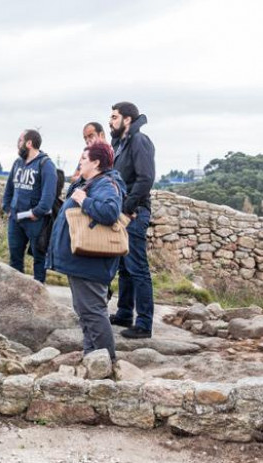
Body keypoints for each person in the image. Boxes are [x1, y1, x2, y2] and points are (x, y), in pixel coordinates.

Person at [46, 142, 126, 360]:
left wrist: (84, 200)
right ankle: (92, 356)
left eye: (83, 159)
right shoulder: (92, 182)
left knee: (93, 312)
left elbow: (110, 212)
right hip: (82, 261)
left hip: (90, 262)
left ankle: (105, 362)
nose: (80, 163)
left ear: (96, 162)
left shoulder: (105, 184)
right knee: (86, 312)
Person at [108, 102, 156, 339]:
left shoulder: (139, 141)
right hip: (122, 211)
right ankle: (125, 313)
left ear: (127, 119)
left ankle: (144, 324)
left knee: (138, 268)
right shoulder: (119, 143)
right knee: (124, 267)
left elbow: (146, 179)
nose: (110, 121)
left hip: (135, 213)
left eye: (114, 117)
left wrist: (127, 208)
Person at [2, 130, 57, 283]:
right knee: (14, 259)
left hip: (36, 221)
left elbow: (48, 197)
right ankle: (16, 293)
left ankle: (39, 297)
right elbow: (9, 190)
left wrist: (36, 212)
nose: (17, 144)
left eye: (20, 140)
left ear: (29, 143)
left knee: (39, 260)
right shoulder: (17, 163)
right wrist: (7, 208)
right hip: (15, 220)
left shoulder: (46, 164)